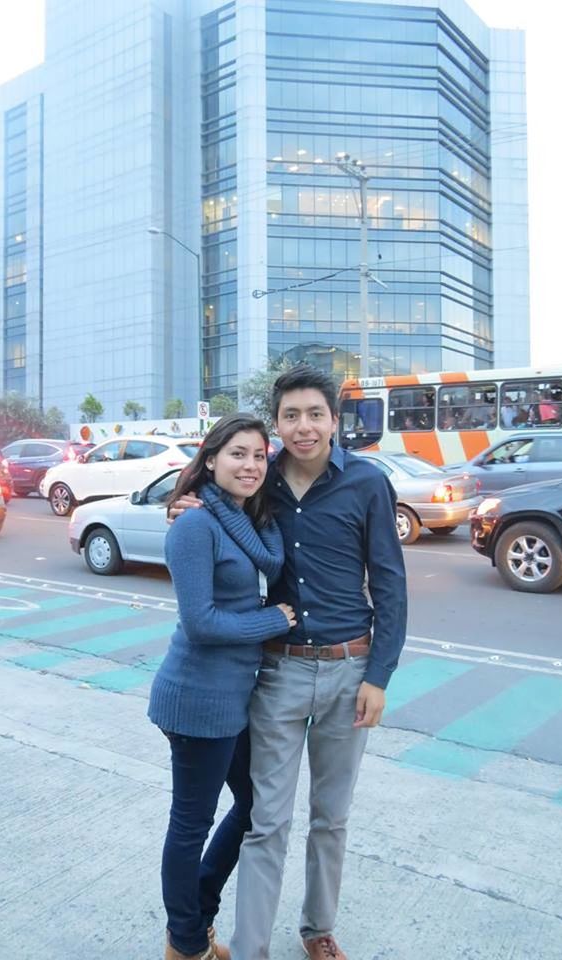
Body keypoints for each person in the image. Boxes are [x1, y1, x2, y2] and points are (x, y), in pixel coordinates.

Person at [172, 365, 407, 960]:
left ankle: (318, 928)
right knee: (266, 820)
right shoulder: (259, 479)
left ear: (334, 419)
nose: (303, 427)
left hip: (350, 670)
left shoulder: (368, 484)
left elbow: (390, 585)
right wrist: (184, 505)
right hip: (276, 671)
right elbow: (210, 507)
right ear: (278, 422)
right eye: (291, 415)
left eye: (315, 414)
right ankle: (250, 948)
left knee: (331, 816)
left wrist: (379, 675)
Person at [149, 413, 297, 960]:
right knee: (191, 824)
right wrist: (274, 619)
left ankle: (196, 917)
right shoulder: (194, 525)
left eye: (260, 455)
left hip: (232, 699)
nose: (251, 465)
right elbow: (202, 623)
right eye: (238, 453)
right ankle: (186, 943)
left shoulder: (249, 524)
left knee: (256, 804)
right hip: (196, 699)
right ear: (210, 459)